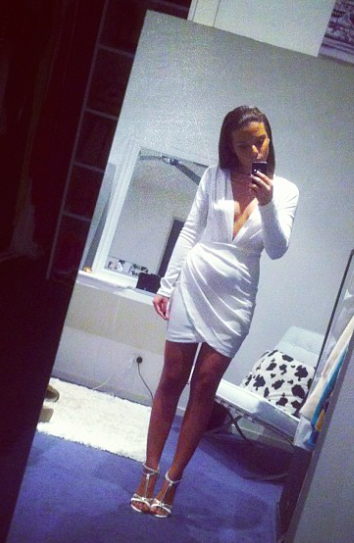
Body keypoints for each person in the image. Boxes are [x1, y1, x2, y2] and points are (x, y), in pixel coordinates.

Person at [130, 105, 299, 517]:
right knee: (172, 378)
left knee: (205, 386)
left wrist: (268, 203)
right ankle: (148, 472)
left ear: (269, 138)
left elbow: (277, 249)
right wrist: (167, 284)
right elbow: (191, 230)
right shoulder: (214, 177)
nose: (254, 150)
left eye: (260, 140)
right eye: (243, 145)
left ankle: (172, 481)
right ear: (230, 147)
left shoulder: (286, 191)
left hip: (237, 296)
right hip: (194, 282)